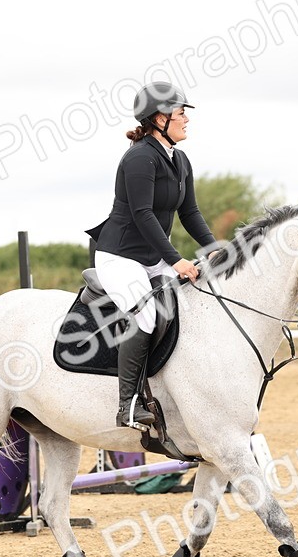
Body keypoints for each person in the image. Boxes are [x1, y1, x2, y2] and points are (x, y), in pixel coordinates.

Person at [85, 82, 218, 428]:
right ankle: (127, 404)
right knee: (145, 313)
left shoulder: (179, 159)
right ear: (159, 118)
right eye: (180, 112)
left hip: (151, 255)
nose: (186, 118)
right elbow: (143, 214)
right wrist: (176, 260)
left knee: (188, 303)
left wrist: (215, 249)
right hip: (120, 256)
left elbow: (190, 213)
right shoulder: (140, 158)